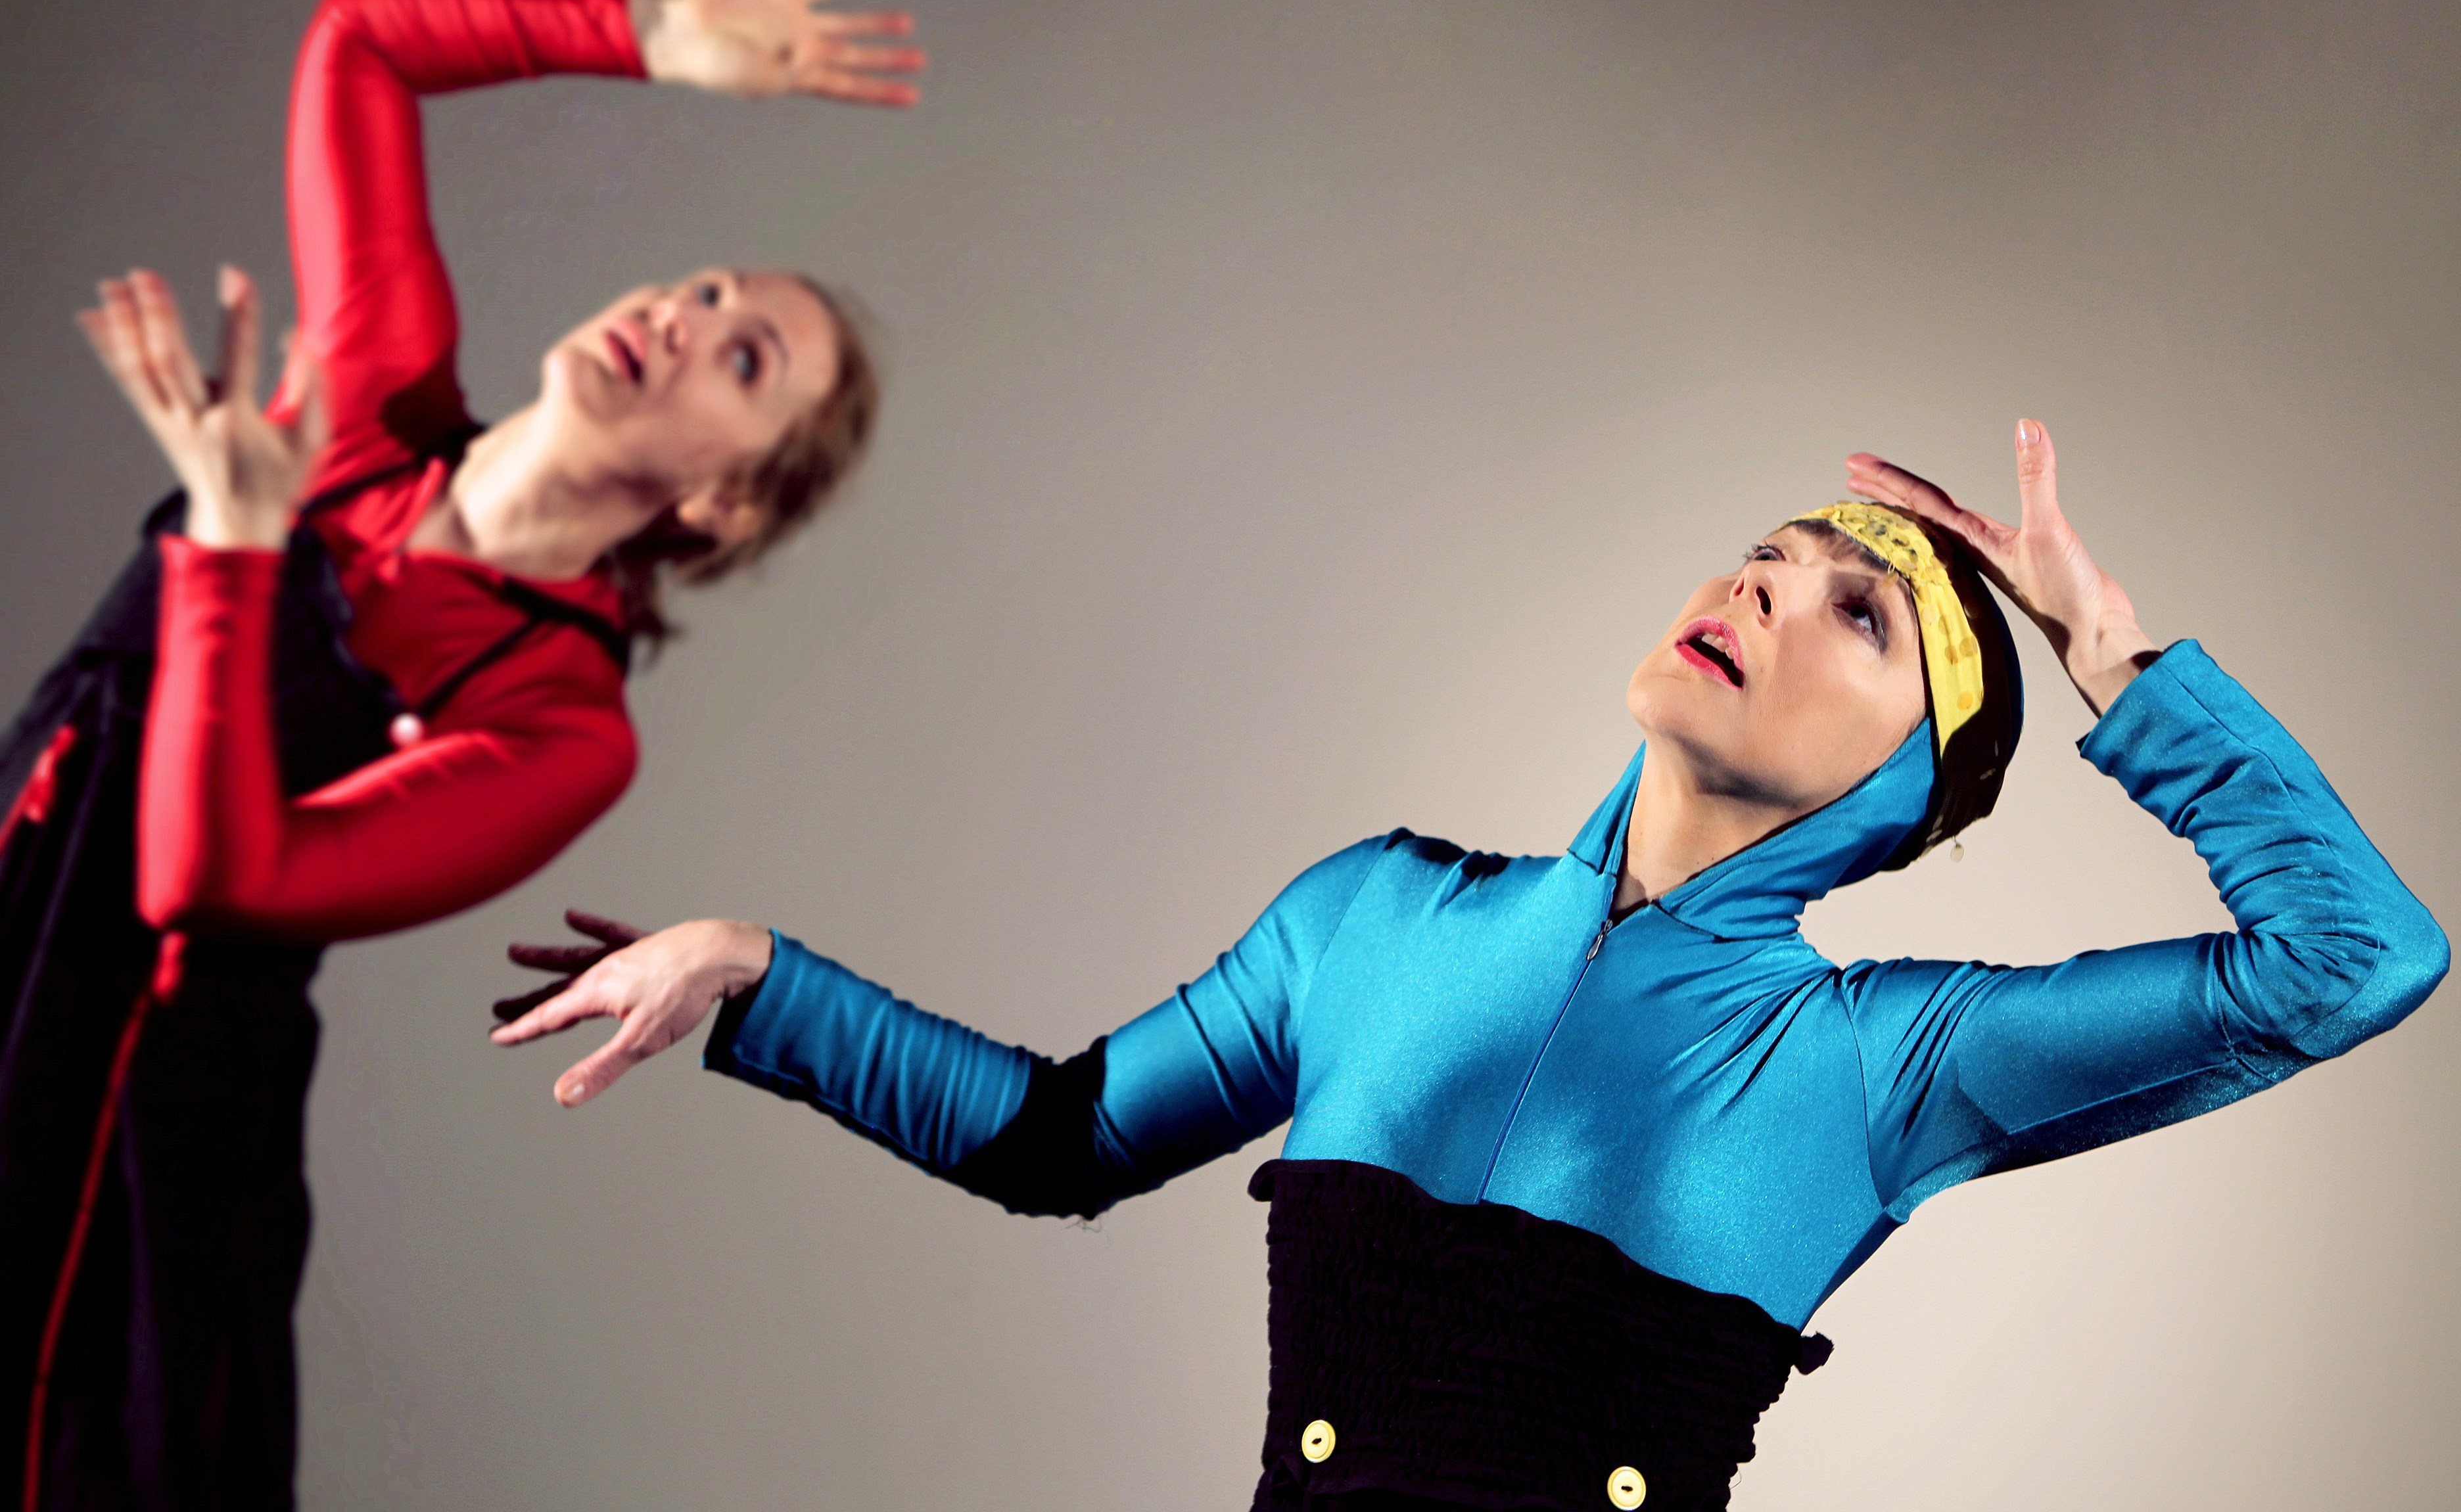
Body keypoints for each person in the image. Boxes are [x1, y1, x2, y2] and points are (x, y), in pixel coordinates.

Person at [492, 424, 2447, 1512]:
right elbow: (1060, 1137)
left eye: (1861, 615)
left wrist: (2110, 659)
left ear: (1909, 785)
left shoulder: (1890, 1062)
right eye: (1770, 554)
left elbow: (2356, 960)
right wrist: (756, 979)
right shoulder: (1372, 917)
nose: (1766, 588)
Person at [0, 0, 925, 1512]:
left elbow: (210, 883)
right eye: (708, 290)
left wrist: (233, 547)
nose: (685, 317)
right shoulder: (372, 407)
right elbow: (361, 39)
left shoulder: (558, 718)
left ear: (723, 503)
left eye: (744, 358)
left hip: (126, 1143)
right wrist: (651, 35)